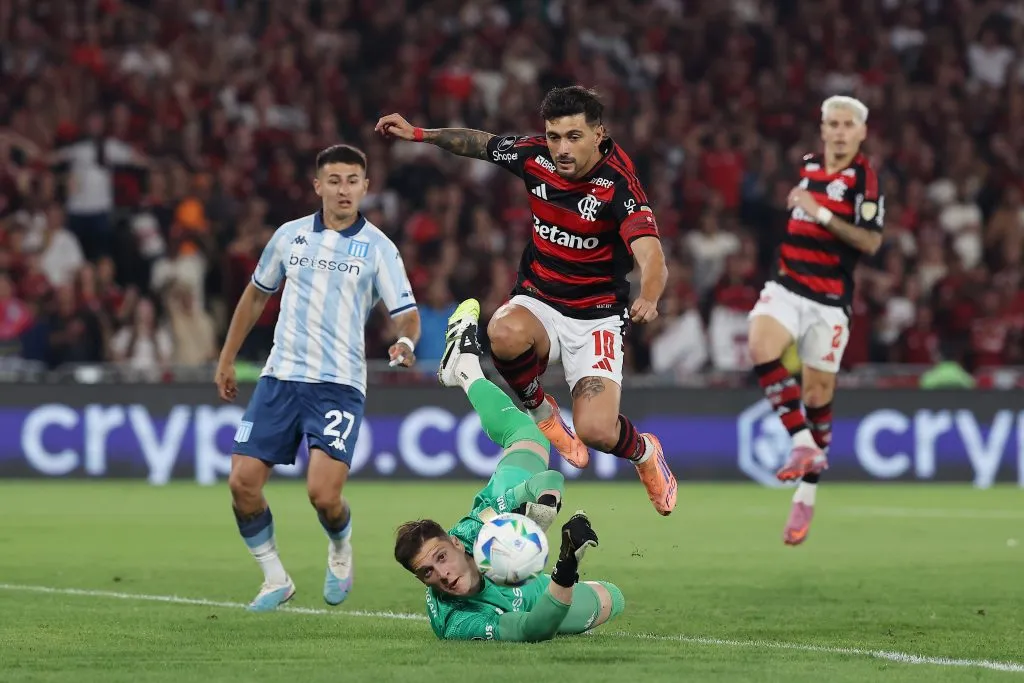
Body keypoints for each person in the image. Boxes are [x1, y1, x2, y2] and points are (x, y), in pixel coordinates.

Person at [375, 86, 677, 516]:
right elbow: (479, 143)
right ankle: (541, 411)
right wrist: (421, 134)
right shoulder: (534, 155)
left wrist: (649, 295)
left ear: (599, 134)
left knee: (596, 431)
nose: (561, 148)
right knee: (501, 330)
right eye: (554, 136)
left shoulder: (619, 185)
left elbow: (652, 255)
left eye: (573, 136)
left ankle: (646, 453)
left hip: (595, 317)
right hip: (539, 299)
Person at [215, 144, 421, 610]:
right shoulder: (289, 237)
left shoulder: (380, 249)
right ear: (317, 186)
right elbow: (254, 297)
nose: (343, 189)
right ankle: (275, 579)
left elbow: (407, 316)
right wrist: (226, 358)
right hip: (281, 377)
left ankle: (341, 546)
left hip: (338, 384)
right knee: (242, 482)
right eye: (334, 180)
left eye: (352, 181)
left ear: (366, 187)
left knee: (323, 495)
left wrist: (405, 344)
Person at [394, 298, 625, 641]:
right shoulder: (456, 621)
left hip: (508, 527)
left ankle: (466, 369)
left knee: (531, 435)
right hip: (529, 599)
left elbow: (548, 480)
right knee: (609, 598)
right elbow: (531, 630)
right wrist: (566, 563)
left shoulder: (477, 527)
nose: (441, 574)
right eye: (427, 572)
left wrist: (542, 511)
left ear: (456, 543)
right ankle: (465, 369)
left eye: (441, 557)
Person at [747, 96, 885, 545]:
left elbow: (869, 241)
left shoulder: (865, 179)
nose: (840, 131)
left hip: (829, 301)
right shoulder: (808, 165)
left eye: (849, 125)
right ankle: (802, 442)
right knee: (760, 345)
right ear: (823, 129)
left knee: (818, 393)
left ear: (861, 133)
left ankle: (806, 493)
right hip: (787, 286)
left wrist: (819, 210)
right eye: (833, 124)